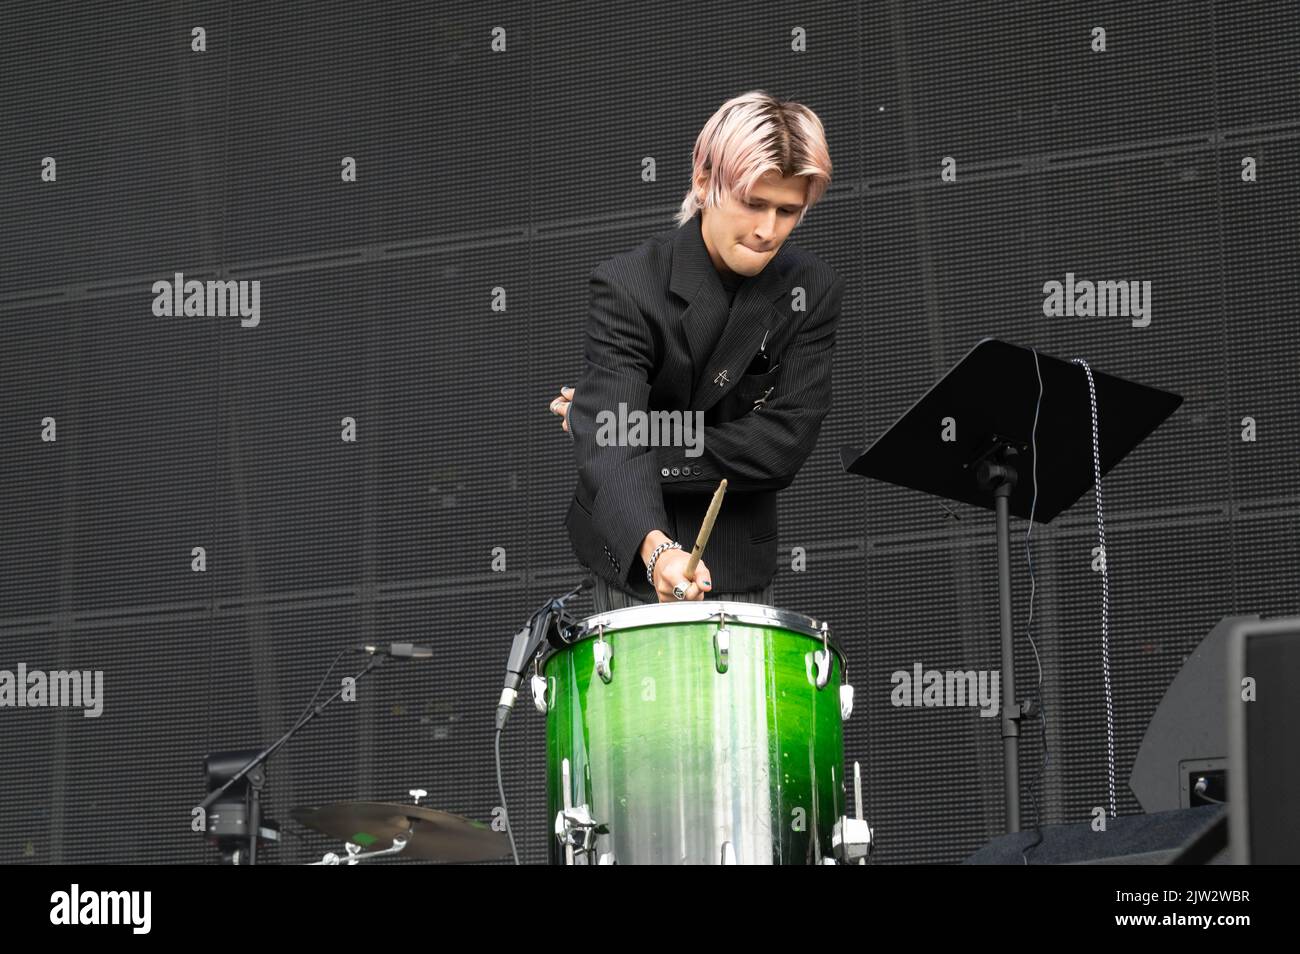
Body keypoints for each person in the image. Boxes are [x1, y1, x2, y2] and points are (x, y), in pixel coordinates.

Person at [551, 90, 846, 613]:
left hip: (738, 558)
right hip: (627, 558)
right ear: (704, 180)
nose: (767, 230)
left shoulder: (812, 289)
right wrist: (656, 548)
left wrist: (619, 430)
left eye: (788, 211)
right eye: (754, 203)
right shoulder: (627, 285)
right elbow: (614, 447)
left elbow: (781, 445)